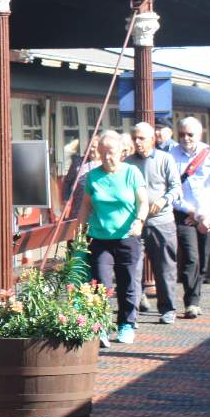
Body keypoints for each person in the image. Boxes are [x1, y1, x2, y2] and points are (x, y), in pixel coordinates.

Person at [75, 131, 148, 346]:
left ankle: (126, 324)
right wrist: (78, 234)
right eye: (102, 153)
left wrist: (139, 221)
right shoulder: (93, 176)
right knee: (101, 284)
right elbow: (86, 206)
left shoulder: (131, 173)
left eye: (112, 153)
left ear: (122, 152)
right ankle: (101, 326)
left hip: (127, 236)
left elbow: (142, 201)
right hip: (99, 238)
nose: (107, 157)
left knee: (127, 282)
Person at [127, 122, 182, 324]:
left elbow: (176, 188)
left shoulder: (165, 159)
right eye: (135, 138)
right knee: (133, 267)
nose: (137, 142)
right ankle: (131, 311)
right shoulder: (128, 163)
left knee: (165, 267)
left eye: (141, 138)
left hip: (162, 222)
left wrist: (163, 200)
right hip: (135, 223)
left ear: (152, 139)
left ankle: (168, 308)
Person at [170, 117, 210, 317]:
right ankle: (191, 301)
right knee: (191, 257)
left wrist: (202, 215)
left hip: (206, 213)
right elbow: (172, 189)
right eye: (181, 134)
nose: (185, 138)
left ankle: (196, 294)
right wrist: (191, 212)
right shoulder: (170, 155)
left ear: (200, 134)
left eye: (190, 134)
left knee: (204, 259)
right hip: (183, 214)